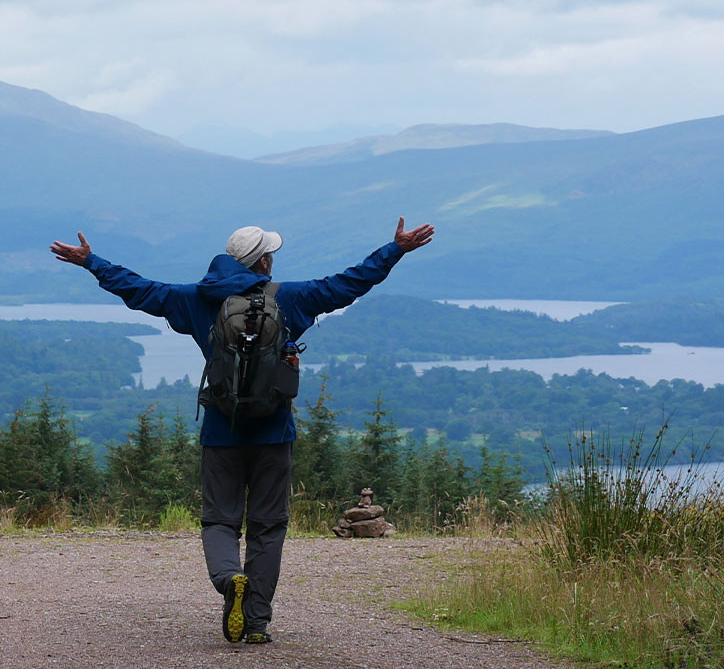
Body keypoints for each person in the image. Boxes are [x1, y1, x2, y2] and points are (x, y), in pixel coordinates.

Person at [49, 217, 435, 644]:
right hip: (274, 432)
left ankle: (229, 577)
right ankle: (255, 624)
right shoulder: (290, 297)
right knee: (268, 527)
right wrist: (394, 250)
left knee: (219, 520)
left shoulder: (196, 298)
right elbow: (348, 284)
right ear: (263, 262)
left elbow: (140, 289)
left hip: (221, 430)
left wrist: (92, 262)